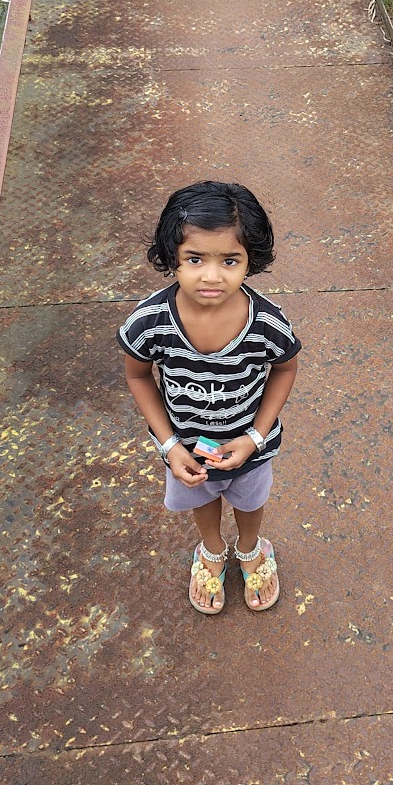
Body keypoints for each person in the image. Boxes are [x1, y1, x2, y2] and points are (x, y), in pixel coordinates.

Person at [118, 181, 300, 616]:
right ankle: (212, 549)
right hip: (186, 447)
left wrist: (255, 438)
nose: (212, 276)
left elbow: (285, 368)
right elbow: (139, 376)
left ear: (250, 260)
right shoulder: (149, 322)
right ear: (172, 257)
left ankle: (251, 547)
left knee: (250, 501)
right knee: (200, 497)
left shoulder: (267, 323)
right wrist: (169, 445)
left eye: (230, 260)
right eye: (195, 259)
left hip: (249, 444)